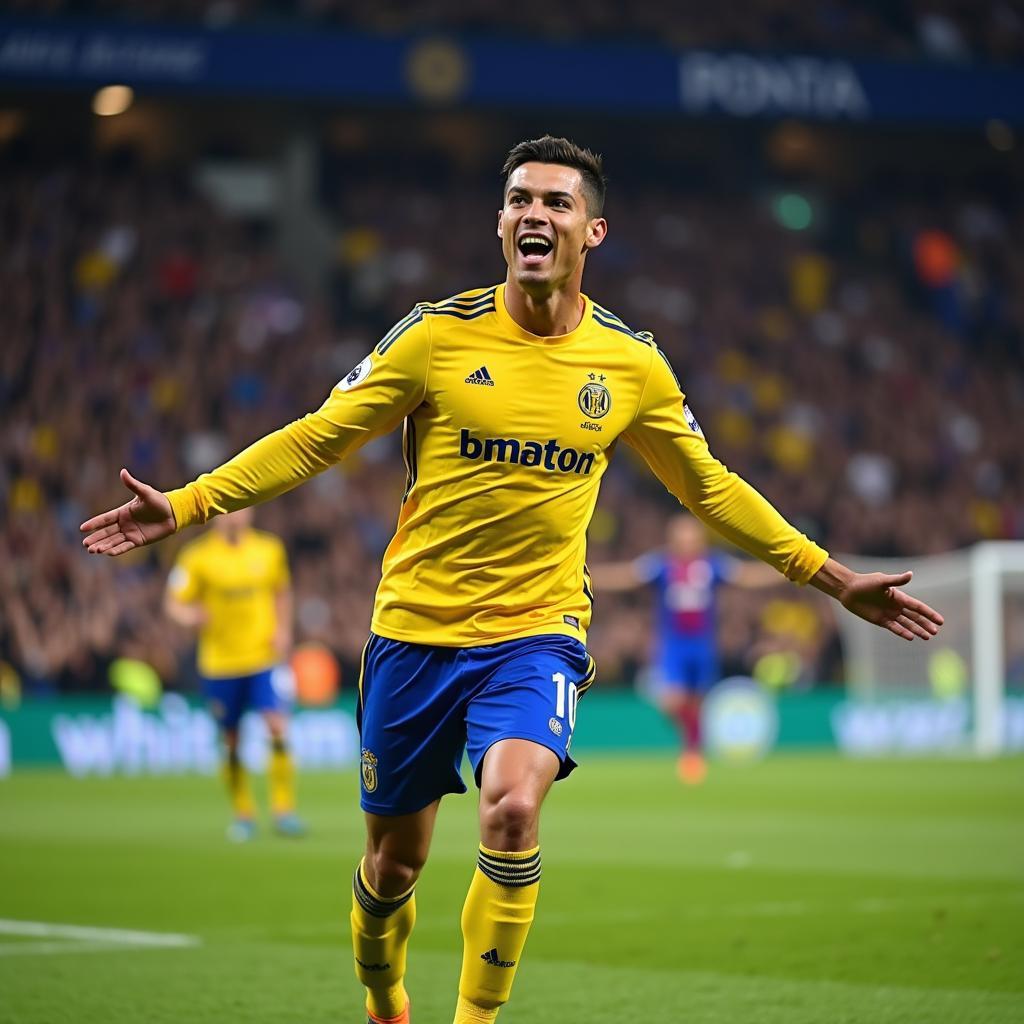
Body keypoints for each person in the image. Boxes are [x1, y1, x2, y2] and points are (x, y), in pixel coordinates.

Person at [81, 136, 944, 1024]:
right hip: (414, 634)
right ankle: (384, 998)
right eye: (520, 201)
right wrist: (187, 505)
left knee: (512, 812)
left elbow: (710, 487)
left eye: (556, 203)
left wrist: (831, 579)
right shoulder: (435, 336)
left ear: (593, 230)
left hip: (536, 635)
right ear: (500, 223)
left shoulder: (631, 365)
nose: (535, 214)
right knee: (392, 870)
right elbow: (316, 437)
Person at [592, 513, 780, 783]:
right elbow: (627, 576)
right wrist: (589, 574)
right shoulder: (661, 566)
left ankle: (692, 755)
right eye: (681, 536)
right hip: (673, 646)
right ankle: (692, 744)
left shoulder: (713, 565)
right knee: (672, 702)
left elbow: (746, 576)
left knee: (697, 702)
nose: (686, 541)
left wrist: (787, 570)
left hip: (702, 645)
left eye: (691, 536)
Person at [164, 507, 305, 842]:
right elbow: (173, 603)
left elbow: (282, 592)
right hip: (219, 663)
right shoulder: (196, 557)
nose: (233, 517)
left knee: (277, 725)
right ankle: (243, 813)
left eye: (239, 510)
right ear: (215, 516)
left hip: (263, 658)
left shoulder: (269, 549)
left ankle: (283, 810)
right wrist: (189, 616)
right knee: (231, 740)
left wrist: (283, 629)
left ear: (252, 512)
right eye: (226, 512)